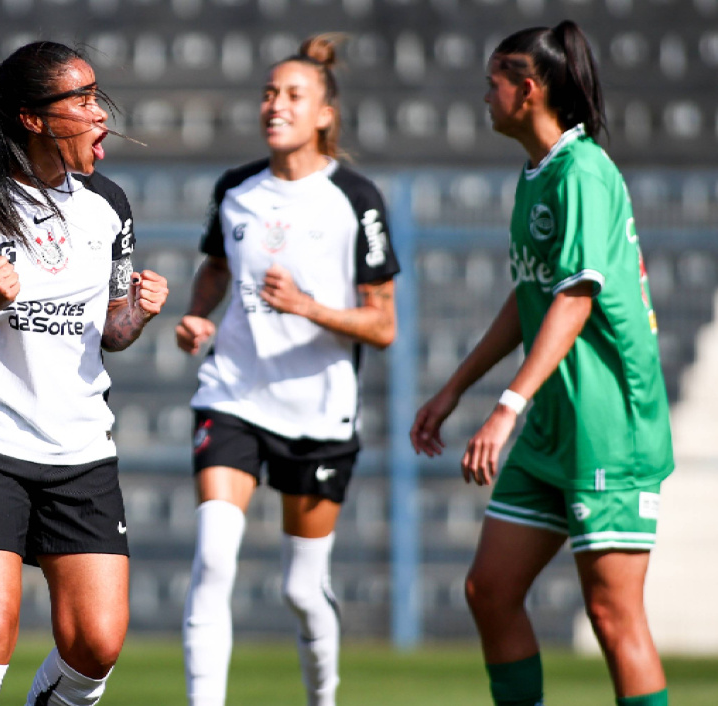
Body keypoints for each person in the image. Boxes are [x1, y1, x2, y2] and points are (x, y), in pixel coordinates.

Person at [410, 20, 673, 706]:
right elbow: (530, 295)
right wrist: (454, 388)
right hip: (555, 424)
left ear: (526, 90)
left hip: (607, 426)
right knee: (489, 590)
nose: (484, 96)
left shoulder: (583, 171)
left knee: (613, 617)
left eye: (492, 83)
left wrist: (505, 408)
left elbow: (575, 299)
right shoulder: (538, 174)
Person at [0, 41, 168, 706]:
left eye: (97, 96)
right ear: (33, 118)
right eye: (82, 100)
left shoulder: (109, 203)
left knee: (95, 645)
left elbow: (111, 333)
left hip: (79, 449)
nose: (100, 113)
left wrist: (137, 314)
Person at [175, 34, 400, 706]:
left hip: (318, 413)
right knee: (213, 557)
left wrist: (307, 307)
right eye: (269, 93)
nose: (276, 105)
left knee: (302, 589)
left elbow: (383, 325)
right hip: (233, 397)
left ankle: (323, 698)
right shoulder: (235, 189)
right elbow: (215, 268)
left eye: (293, 95)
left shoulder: (356, 198)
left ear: (324, 114)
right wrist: (197, 317)